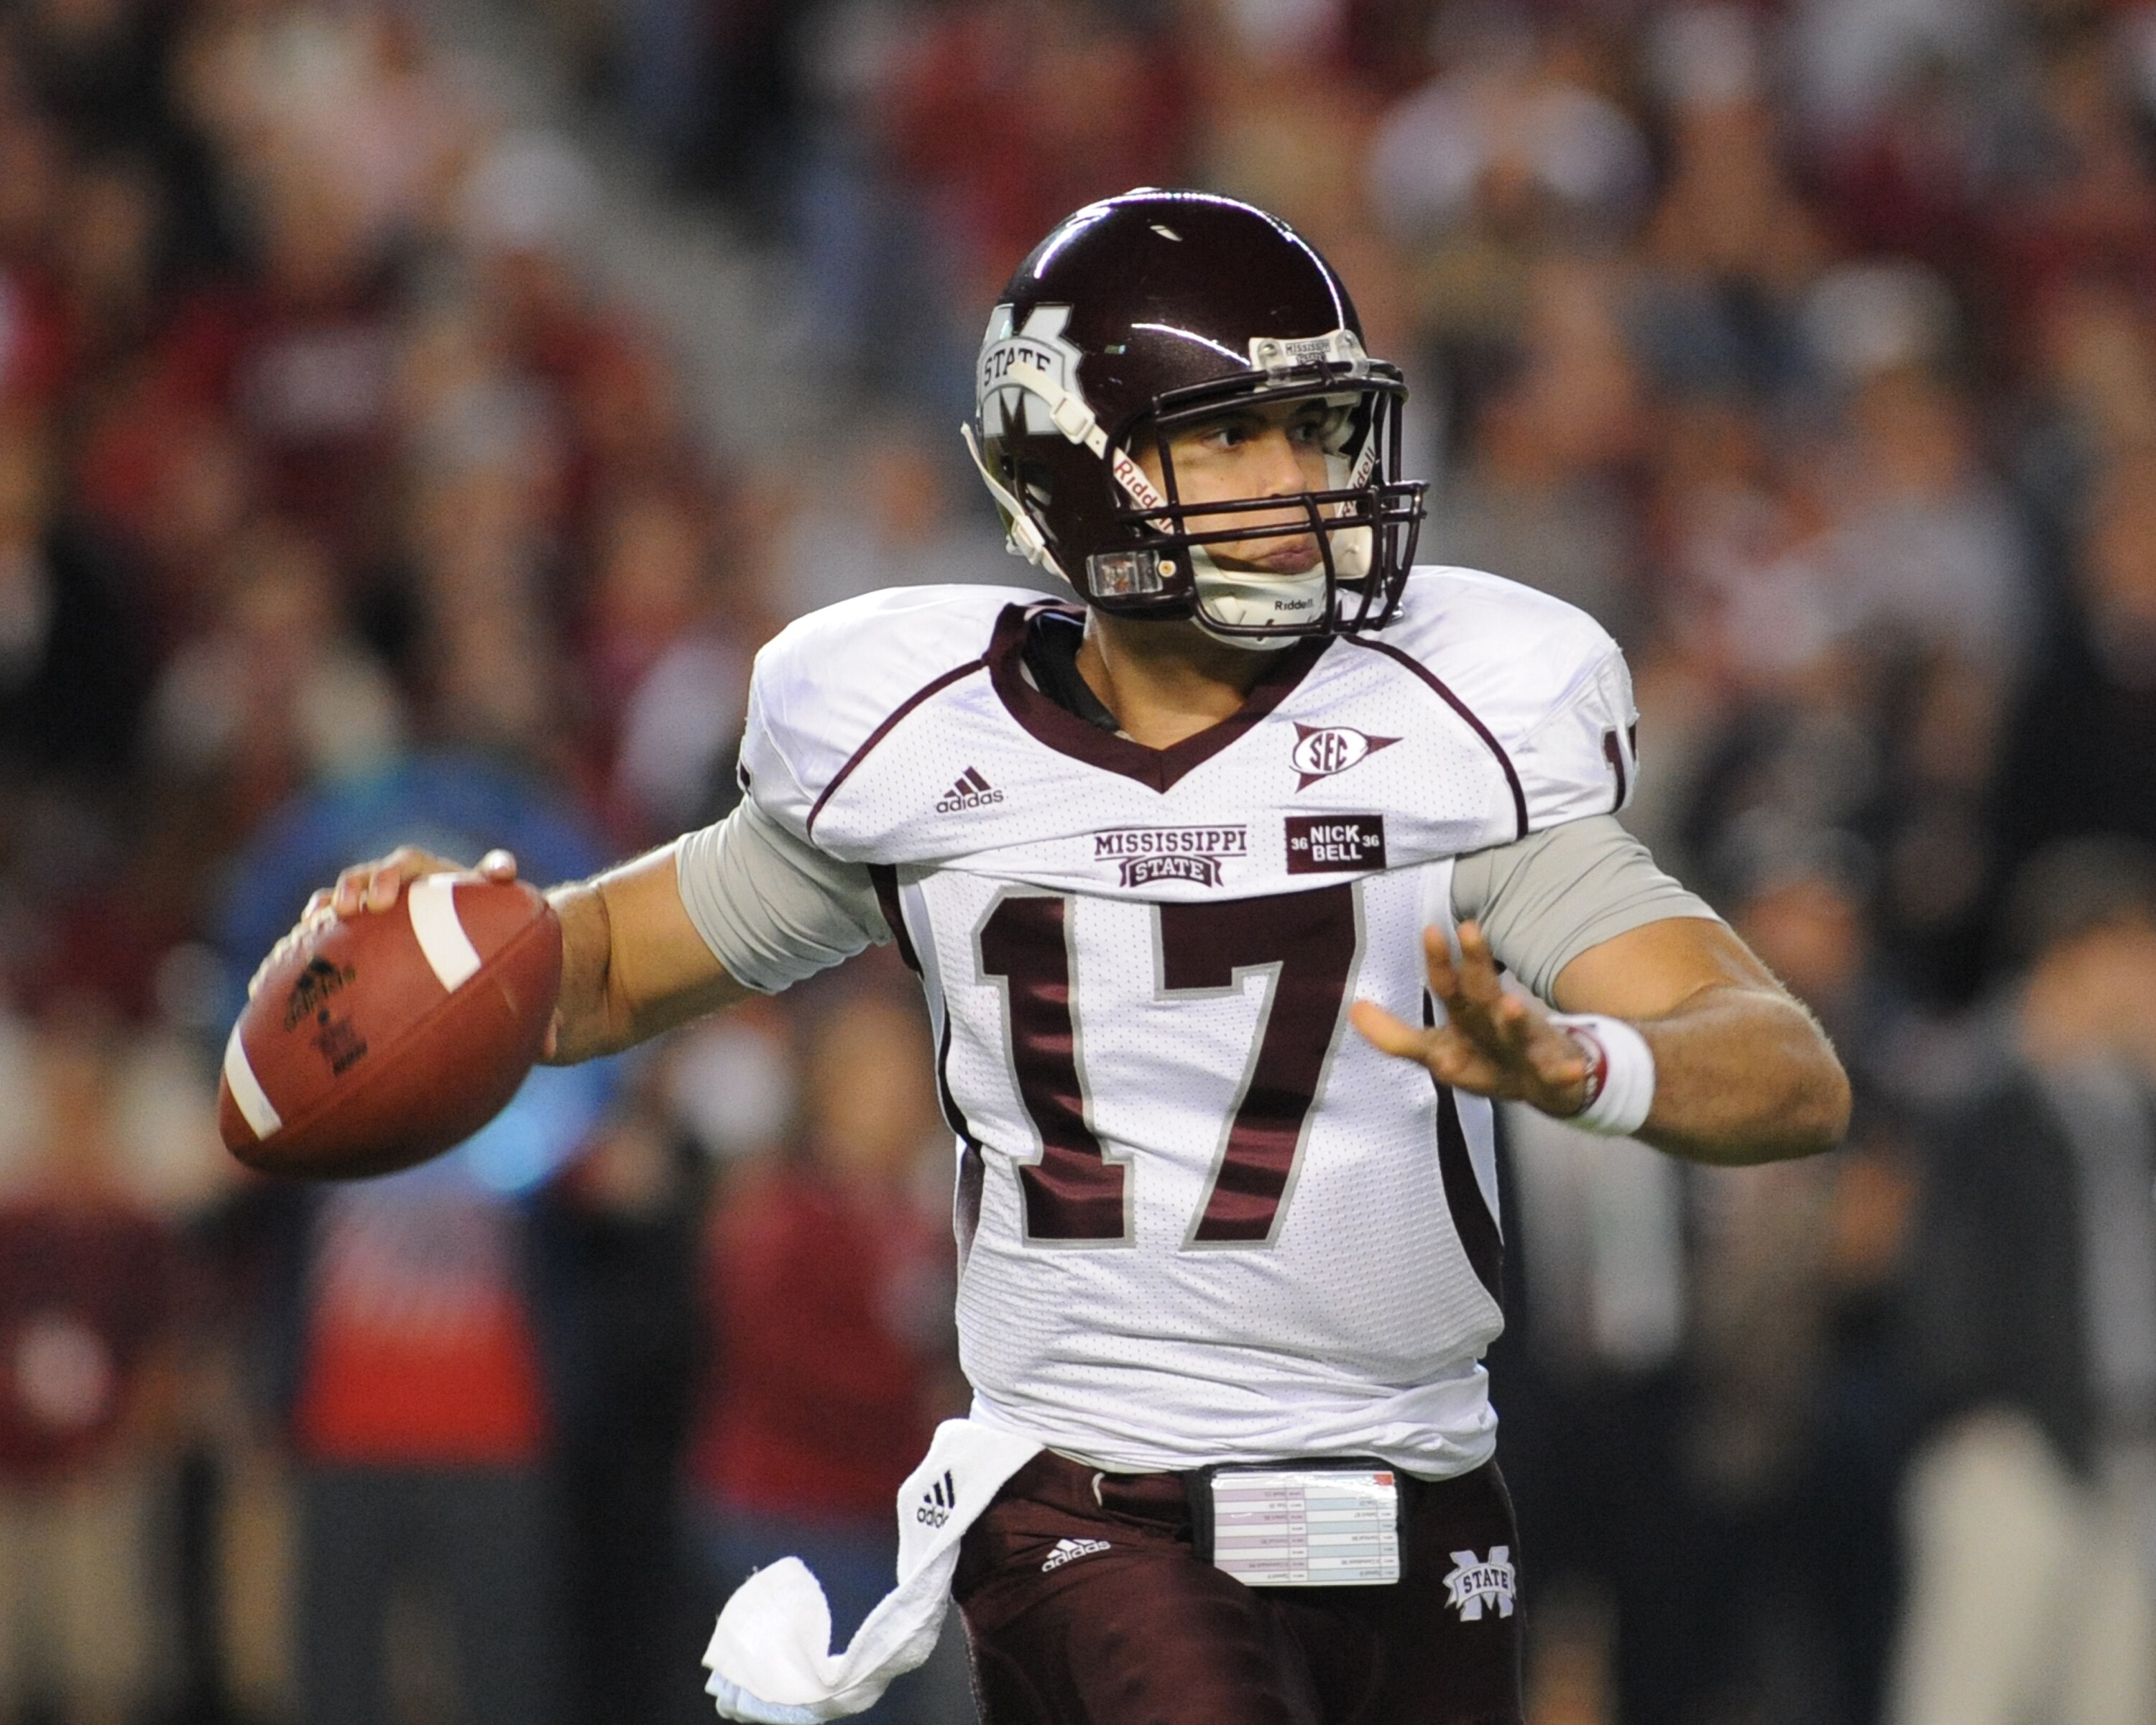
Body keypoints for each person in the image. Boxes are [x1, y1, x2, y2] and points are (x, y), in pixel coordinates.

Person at [277, 190, 1849, 1725]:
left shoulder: (1441, 741)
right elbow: (605, 968)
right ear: (1077, 466)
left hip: (1423, 1495)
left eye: (1318, 429)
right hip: (1101, 1508)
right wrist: (447, 937)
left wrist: (1591, 1065)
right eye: (1235, 431)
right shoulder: (919, 751)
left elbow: (1783, 1067)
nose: (1300, 479)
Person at [1889, 836, 2156, 1725]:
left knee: (2111, 1701)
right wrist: (1987, 1403)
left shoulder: (2123, 1105)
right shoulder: (1981, 1090)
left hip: (2126, 1451)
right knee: (1972, 1698)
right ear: (2082, 954)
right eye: (2139, 952)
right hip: (2009, 1447)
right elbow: (1943, 1283)